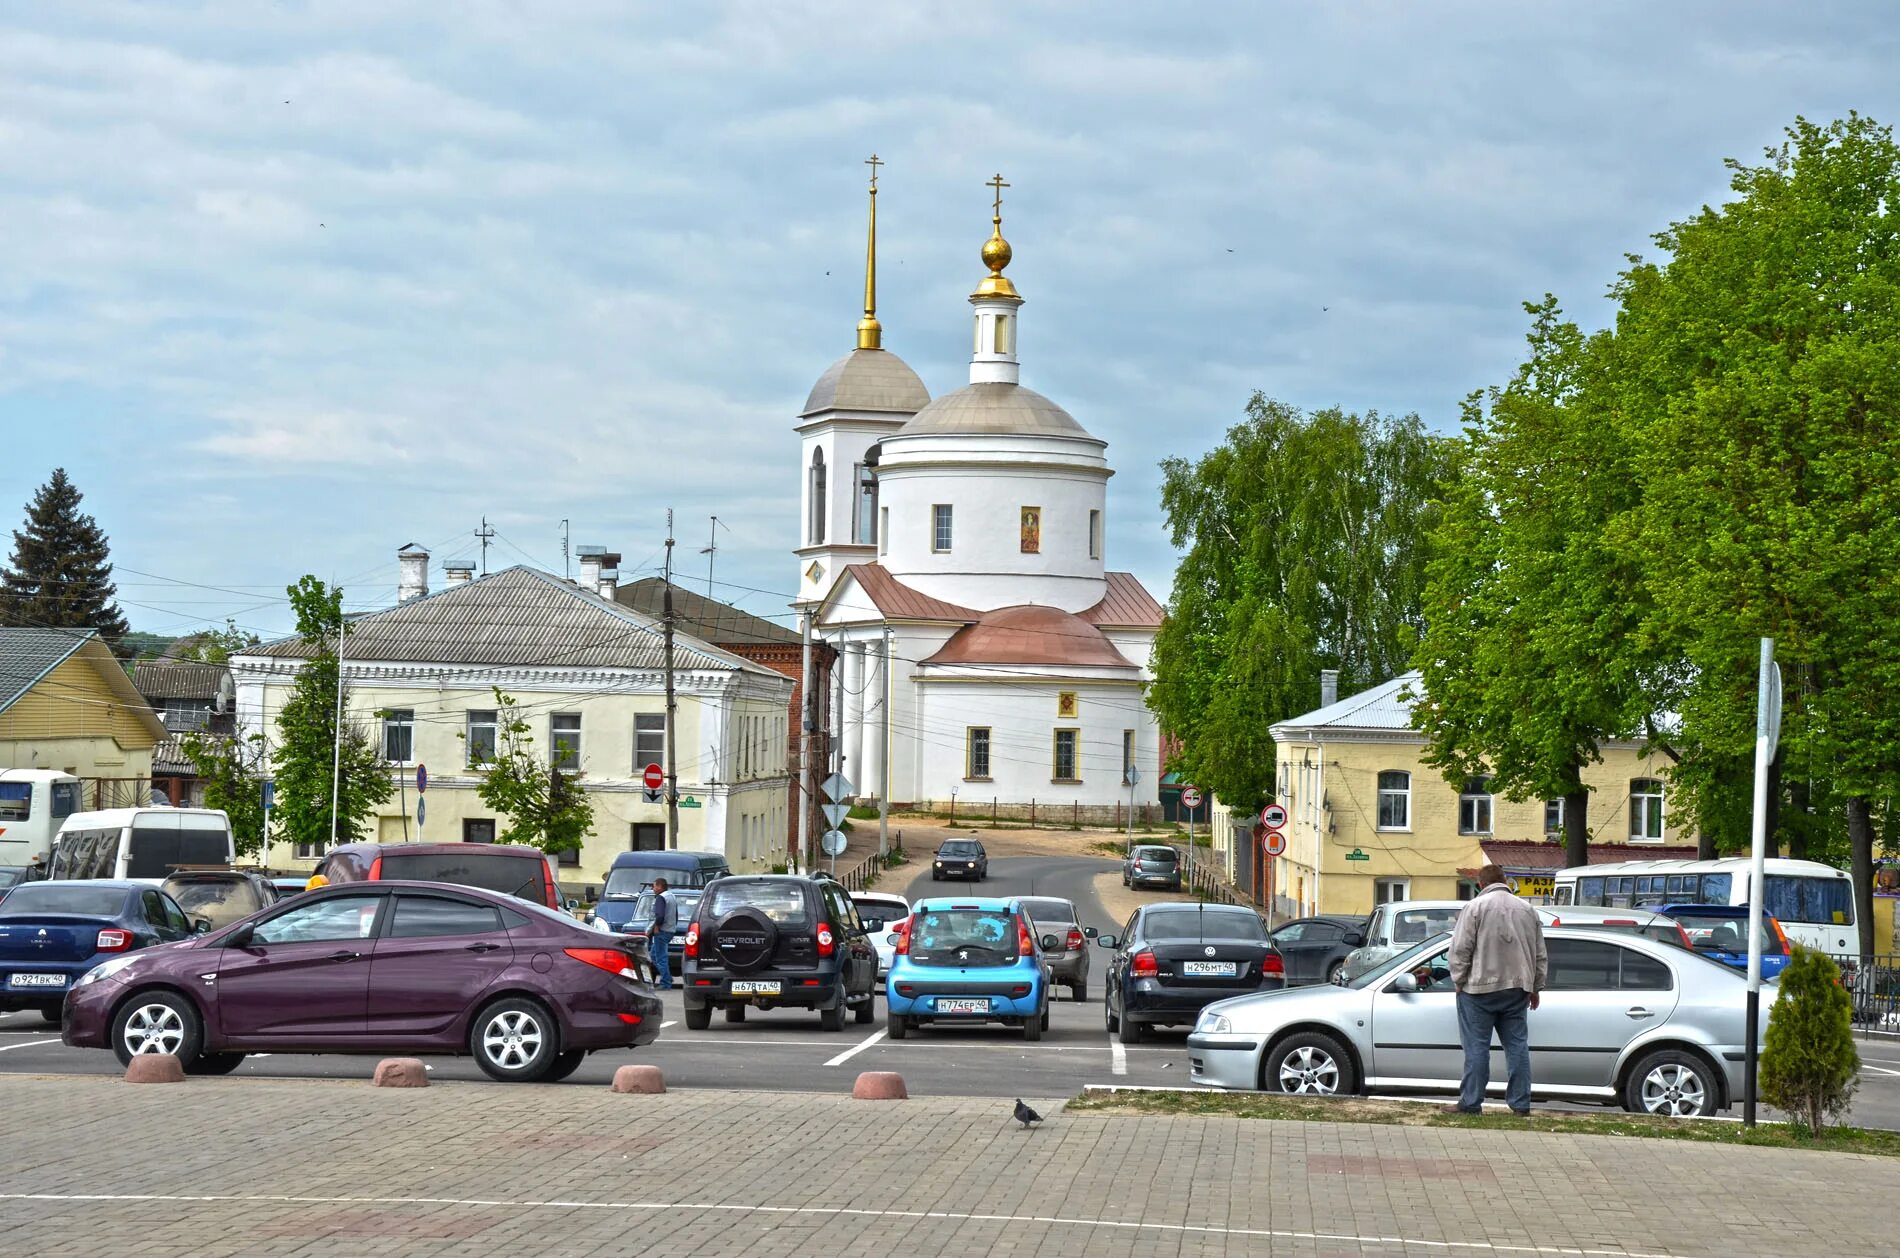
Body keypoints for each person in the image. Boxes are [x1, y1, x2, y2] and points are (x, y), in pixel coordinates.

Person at [1446, 863, 1547, 1116]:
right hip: (1517, 988)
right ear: (1505, 881)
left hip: (1478, 989)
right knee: (1517, 1047)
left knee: (1477, 1047)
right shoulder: (1528, 910)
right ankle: (1520, 1103)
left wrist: (1458, 981)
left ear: (1481, 885)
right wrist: (1535, 987)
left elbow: (1460, 949)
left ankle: (1471, 1102)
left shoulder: (1474, 908)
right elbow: (1539, 954)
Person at [647, 878, 676, 990]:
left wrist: (656, 927)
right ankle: (667, 976)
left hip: (661, 931)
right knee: (653, 955)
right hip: (670, 930)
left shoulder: (661, 898)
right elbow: (675, 914)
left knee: (660, 958)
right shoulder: (671, 896)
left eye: (654, 886)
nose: (653, 889)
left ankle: (665, 983)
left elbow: (659, 916)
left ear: (659, 886)